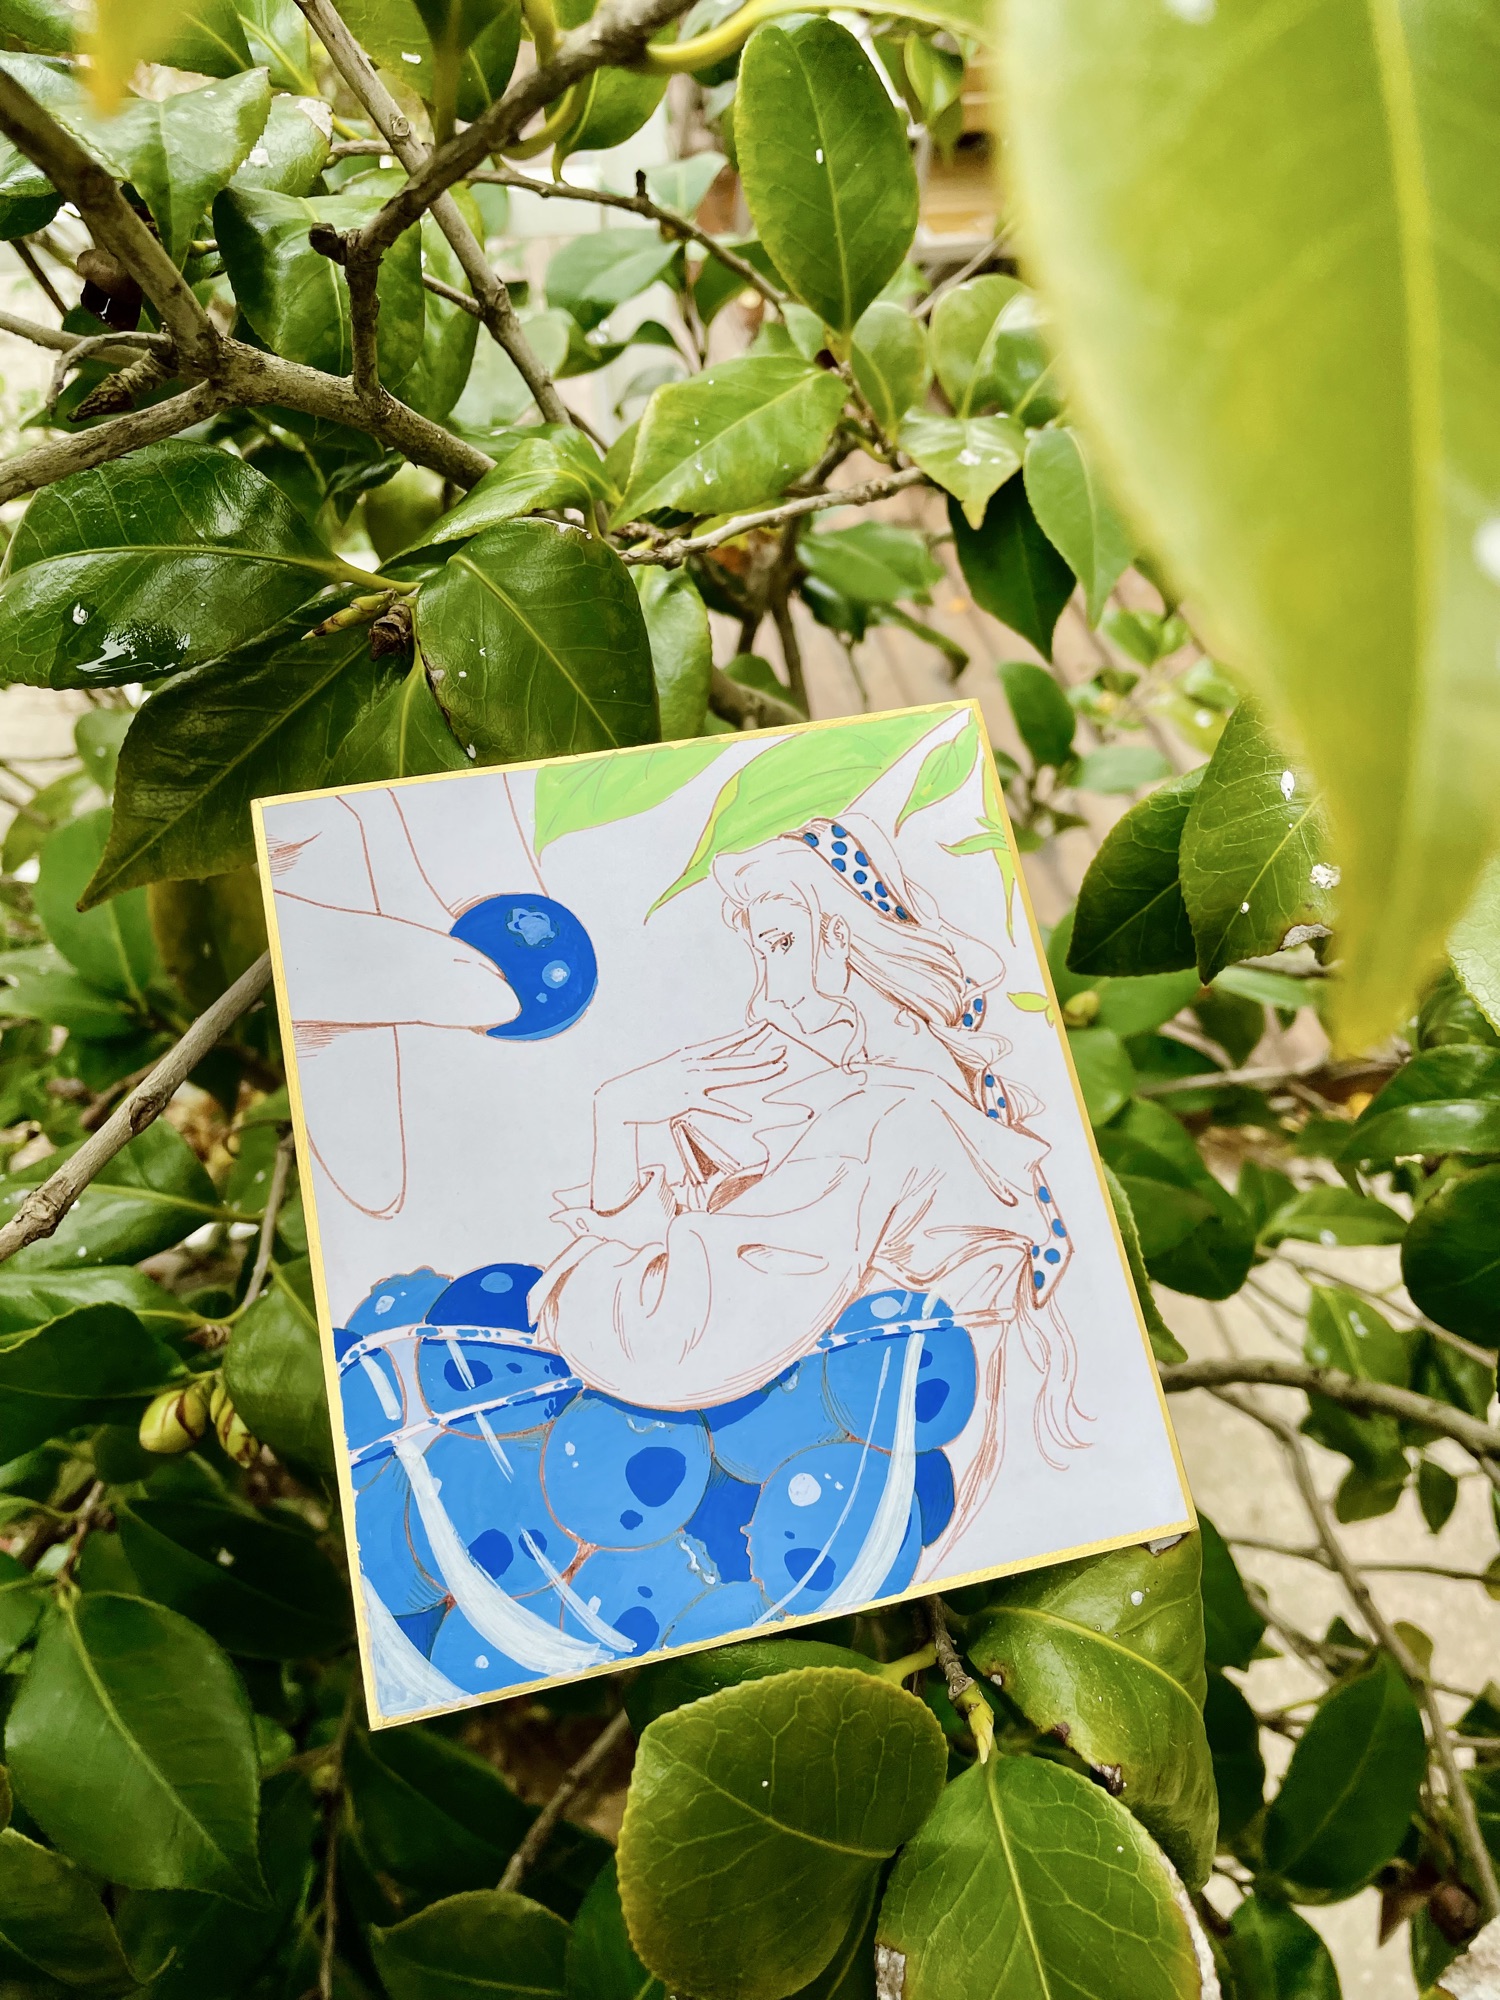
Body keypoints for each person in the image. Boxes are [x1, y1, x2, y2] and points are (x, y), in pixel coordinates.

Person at [531, 813, 1092, 1555]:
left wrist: (619, 1120)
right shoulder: (917, 1110)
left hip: (834, 1515)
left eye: (779, 947)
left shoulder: (880, 1125)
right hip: (860, 1506)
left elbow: (653, 1344)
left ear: (837, 942)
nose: (764, 995)